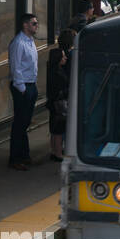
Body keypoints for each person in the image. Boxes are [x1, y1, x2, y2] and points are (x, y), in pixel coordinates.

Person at [7, 13, 39, 170]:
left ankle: (24, 154)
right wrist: (23, 89)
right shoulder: (18, 43)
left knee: (25, 122)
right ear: (25, 25)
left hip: (31, 84)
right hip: (23, 86)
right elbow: (16, 67)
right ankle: (15, 158)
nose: (36, 26)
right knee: (20, 123)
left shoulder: (30, 41)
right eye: (33, 23)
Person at [46, 29, 74, 163]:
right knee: (59, 129)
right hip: (59, 104)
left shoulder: (53, 70)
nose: (65, 58)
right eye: (63, 57)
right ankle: (57, 153)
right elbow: (61, 89)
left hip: (54, 103)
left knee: (55, 129)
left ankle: (54, 150)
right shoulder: (58, 74)